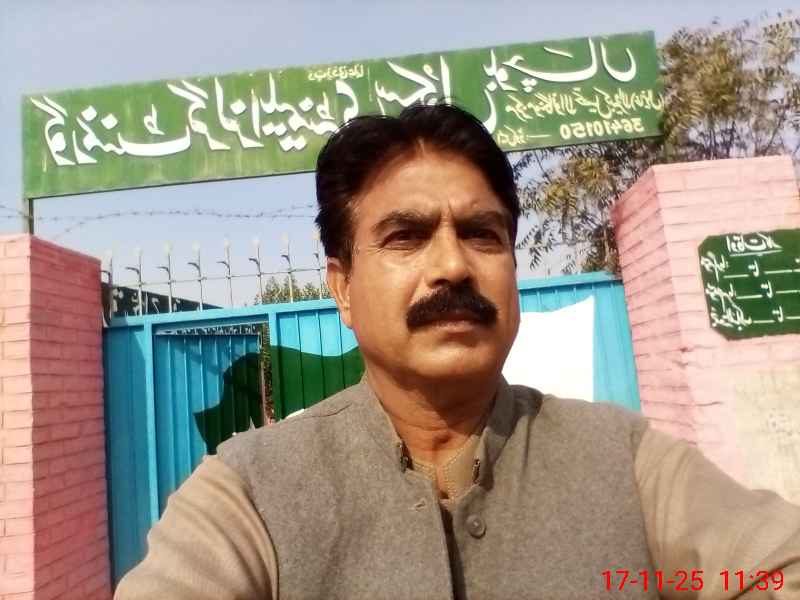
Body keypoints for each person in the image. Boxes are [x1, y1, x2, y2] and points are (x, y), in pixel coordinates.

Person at [114, 104, 800, 599]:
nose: (452, 266)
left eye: (482, 234)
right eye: (406, 237)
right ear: (343, 288)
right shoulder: (250, 493)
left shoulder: (626, 460)